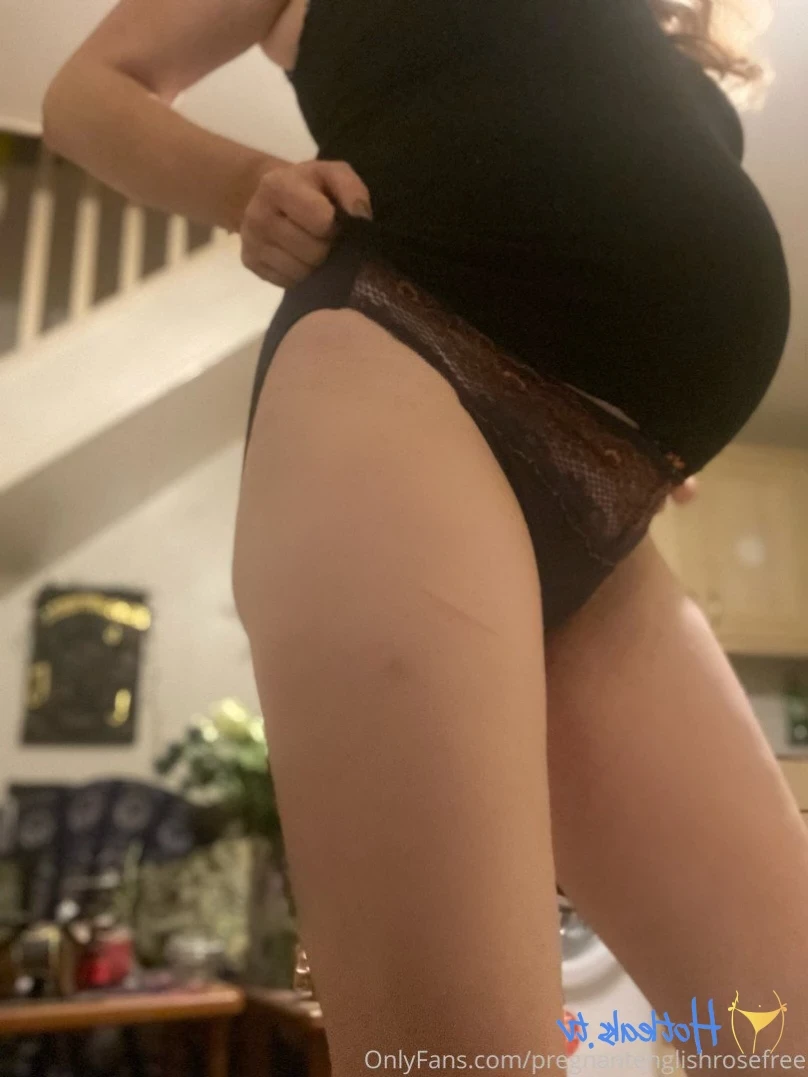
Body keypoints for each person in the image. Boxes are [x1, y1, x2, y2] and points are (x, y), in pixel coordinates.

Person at [43, 0, 807, 1070]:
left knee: (785, 1028)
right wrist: (246, 184)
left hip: (608, 496)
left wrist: (653, 410)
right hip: (404, 365)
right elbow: (87, 94)